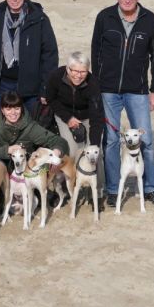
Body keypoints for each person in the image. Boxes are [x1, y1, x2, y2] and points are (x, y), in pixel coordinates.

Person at [91, 0, 154, 208]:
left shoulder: (150, 19)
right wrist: (97, 85)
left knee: (147, 141)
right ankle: (114, 189)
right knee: (112, 141)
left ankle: (150, 188)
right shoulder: (105, 17)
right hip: (108, 90)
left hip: (138, 91)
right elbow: (95, 51)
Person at [45, 52, 105, 198]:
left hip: (88, 117)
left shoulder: (93, 83)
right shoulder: (55, 76)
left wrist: (94, 145)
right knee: (71, 152)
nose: (78, 75)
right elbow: (51, 99)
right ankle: (69, 187)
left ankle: (97, 192)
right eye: (75, 71)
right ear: (67, 69)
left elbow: (96, 117)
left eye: (83, 72)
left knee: (96, 154)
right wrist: (68, 118)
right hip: (64, 115)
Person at [0, 91, 68, 163]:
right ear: (2, 110)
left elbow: (58, 141)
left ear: (21, 109)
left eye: (17, 108)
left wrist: (56, 152)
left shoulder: (29, 127)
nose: (13, 113)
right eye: (8, 109)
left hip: (24, 168)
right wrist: (7, 150)